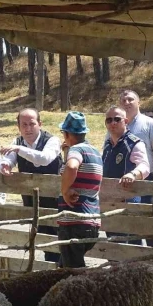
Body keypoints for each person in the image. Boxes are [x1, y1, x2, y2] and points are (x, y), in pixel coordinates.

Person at [0, 108, 63, 263]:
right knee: (43, 240)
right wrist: (6, 165)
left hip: (56, 200)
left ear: (39, 124)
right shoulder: (17, 142)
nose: (28, 128)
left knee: (61, 240)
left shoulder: (52, 140)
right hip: (33, 202)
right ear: (19, 127)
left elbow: (44, 159)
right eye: (24, 125)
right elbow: (8, 159)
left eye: (32, 124)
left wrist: (19, 149)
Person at [57, 111, 102, 268]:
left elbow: (72, 166)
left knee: (73, 273)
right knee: (63, 268)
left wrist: (64, 190)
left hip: (74, 222)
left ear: (67, 134)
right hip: (91, 221)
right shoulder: (94, 151)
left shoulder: (76, 150)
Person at [102, 106, 150, 245]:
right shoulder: (107, 145)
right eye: (109, 120)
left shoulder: (134, 143)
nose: (113, 123)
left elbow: (144, 166)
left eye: (117, 119)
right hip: (110, 202)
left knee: (131, 244)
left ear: (126, 121)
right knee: (114, 244)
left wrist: (133, 174)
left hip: (127, 202)